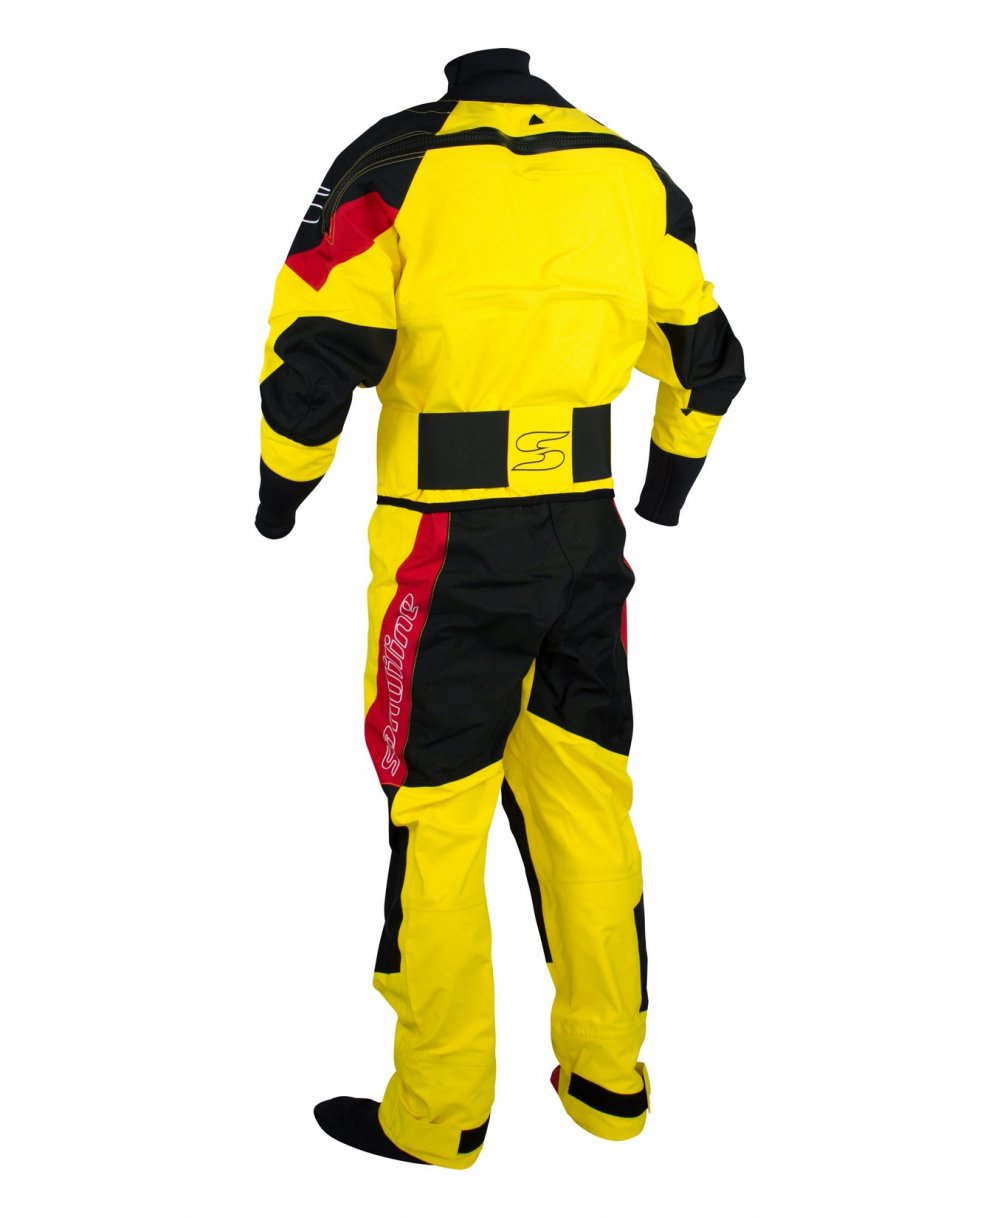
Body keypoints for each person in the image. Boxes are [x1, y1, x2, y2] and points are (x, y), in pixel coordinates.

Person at [254, 45, 745, 1169]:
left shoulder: (393, 161)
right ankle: (610, 1079)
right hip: (586, 534)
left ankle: (438, 1111)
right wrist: (664, 488)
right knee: (587, 800)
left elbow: (310, 359)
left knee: (437, 815)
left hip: (445, 545)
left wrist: (282, 491)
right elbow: (709, 359)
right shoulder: (630, 171)